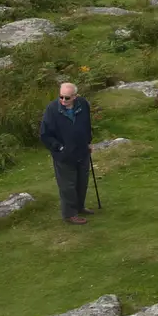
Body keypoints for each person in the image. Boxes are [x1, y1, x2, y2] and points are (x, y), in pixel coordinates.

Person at [39, 81, 94, 224]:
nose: (63, 100)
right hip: (64, 155)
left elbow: (87, 125)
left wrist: (88, 141)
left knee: (82, 181)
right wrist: (59, 147)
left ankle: (80, 207)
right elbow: (45, 134)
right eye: (61, 97)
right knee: (67, 185)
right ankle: (70, 214)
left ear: (75, 96)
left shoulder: (83, 104)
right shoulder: (52, 110)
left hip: (82, 151)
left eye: (67, 98)